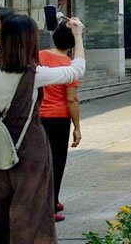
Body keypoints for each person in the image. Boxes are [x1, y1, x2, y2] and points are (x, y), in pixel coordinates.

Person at [0, 14, 86, 244]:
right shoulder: (33, 73)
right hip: (30, 148)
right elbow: (76, 70)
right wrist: (78, 36)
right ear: (29, 41)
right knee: (30, 210)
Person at [38, 23, 81, 222]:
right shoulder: (69, 65)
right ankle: (51, 204)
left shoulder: (38, 55)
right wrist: (77, 127)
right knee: (57, 161)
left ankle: (49, 200)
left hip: (38, 116)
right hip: (58, 117)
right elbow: (72, 99)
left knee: (41, 161)